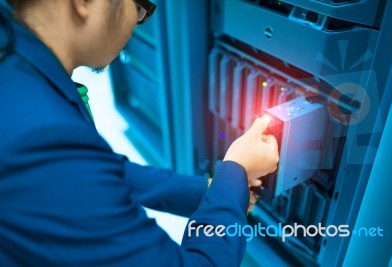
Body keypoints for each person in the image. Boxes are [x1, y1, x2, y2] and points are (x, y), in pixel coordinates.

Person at [0, 0, 279, 266]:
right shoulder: (42, 134)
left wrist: (216, 191)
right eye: (140, 6)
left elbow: (97, 171)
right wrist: (237, 169)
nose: (137, 21)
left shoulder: (18, 72)